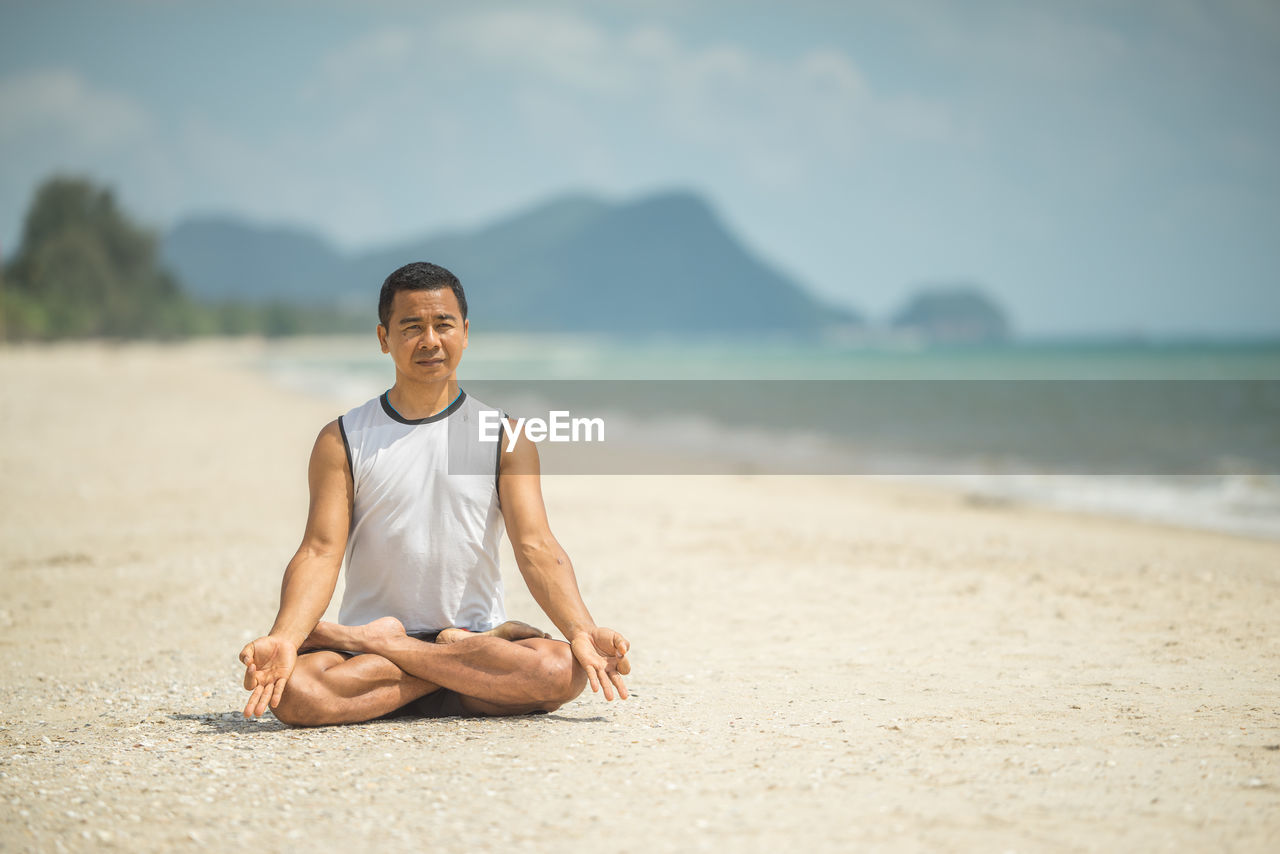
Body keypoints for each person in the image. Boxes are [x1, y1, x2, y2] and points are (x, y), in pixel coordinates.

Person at [239, 261, 630, 725]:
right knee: (294, 693)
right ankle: (422, 662)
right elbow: (320, 550)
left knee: (563, 669)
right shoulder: (342, 438)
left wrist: (582, 630)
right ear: (384, 339)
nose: (430, 340)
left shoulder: (505, 436)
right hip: (427, 663)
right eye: (411, 327)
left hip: (468, 639)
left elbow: (536, 545)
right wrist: (285, 638)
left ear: (465, 332)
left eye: (443, 325)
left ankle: (394, 647)